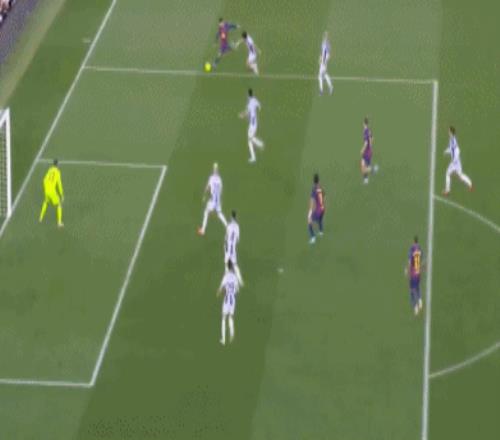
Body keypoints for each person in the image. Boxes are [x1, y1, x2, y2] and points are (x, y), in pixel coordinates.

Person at [197, 163, 227, 236]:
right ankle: (227, 226)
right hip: (218, 200)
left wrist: (204, 195)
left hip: (213, 200)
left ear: (213, 171)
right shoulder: (220, 179)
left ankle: (203, 230)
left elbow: (207, 187)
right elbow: (221, 190)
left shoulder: (211, 178)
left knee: (206, 212)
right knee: (219, 213)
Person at [442, 126, 473, 195]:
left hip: (455, 161)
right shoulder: (452, 139)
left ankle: (447, 190)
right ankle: (470, 184)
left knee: (447, 174)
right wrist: (446, 151)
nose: (448, 132)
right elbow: (451, 149)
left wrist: (454, 161)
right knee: (460, 175)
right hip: (457, 161)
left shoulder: (453, 141)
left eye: (449, 131)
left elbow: (457, 150)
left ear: (451, 132)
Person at [217, 260, 241, 345]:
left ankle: (223, 339)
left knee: (224, 317)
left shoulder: (226, 276)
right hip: (233, 299)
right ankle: (232, 334)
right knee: (231, 316)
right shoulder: (235, 277)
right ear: (233, 267)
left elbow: (221, 287)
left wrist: (219, 293)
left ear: (227, 267)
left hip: (227, 298)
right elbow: (237, 290)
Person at [239, 88, 264, 163]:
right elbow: (259, 106)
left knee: (250, 139)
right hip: (254, 122)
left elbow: (247, 113)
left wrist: (242, 115)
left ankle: (259, 145)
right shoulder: (255, 99)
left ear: (248, 95)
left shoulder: (249, 103)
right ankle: (254, 154)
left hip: (252, 124)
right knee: (250, 139)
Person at [39, 159, 64, 228]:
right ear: (58, 165)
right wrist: (61, 195)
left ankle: (40, 218)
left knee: (46, 201)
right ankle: (59, 222)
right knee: (59, 204)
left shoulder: (49, 170)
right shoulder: (58, 172)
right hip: (52, 191)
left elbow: (44, 180)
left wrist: (46, 188)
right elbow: (59, 184)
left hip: (46, 190)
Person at [405, 236, 423, 316]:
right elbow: (420, 260)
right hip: (418, 273)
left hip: (413, 274)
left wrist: (407, 271)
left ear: (413, 241)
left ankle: (415, 307)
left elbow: (410, 262)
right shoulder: (420, 249)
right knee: (418, 288)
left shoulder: (411, 249)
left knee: (412, 291)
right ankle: (420, 300)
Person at [225, 210, 243, 285]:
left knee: (227, 264)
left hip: (228, 249)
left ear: (231, 217)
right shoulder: (237, 227)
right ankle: (240, 281)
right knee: (235, 265)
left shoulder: (228, 226)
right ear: (236, 217)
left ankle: (227, 280)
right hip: (233, 250)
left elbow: (226, 237)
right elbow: (238, 239)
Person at [307, 173, 325, 244]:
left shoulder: (314, 189)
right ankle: (321, 231)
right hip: (323, 208)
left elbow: (312, 201)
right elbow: (323, 195)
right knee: (320, 220)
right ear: (318, 180)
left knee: (309, 222)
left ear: (313, 181)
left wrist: (310, 212)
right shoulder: (320, 187)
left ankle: (313, 238)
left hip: (318, 210)